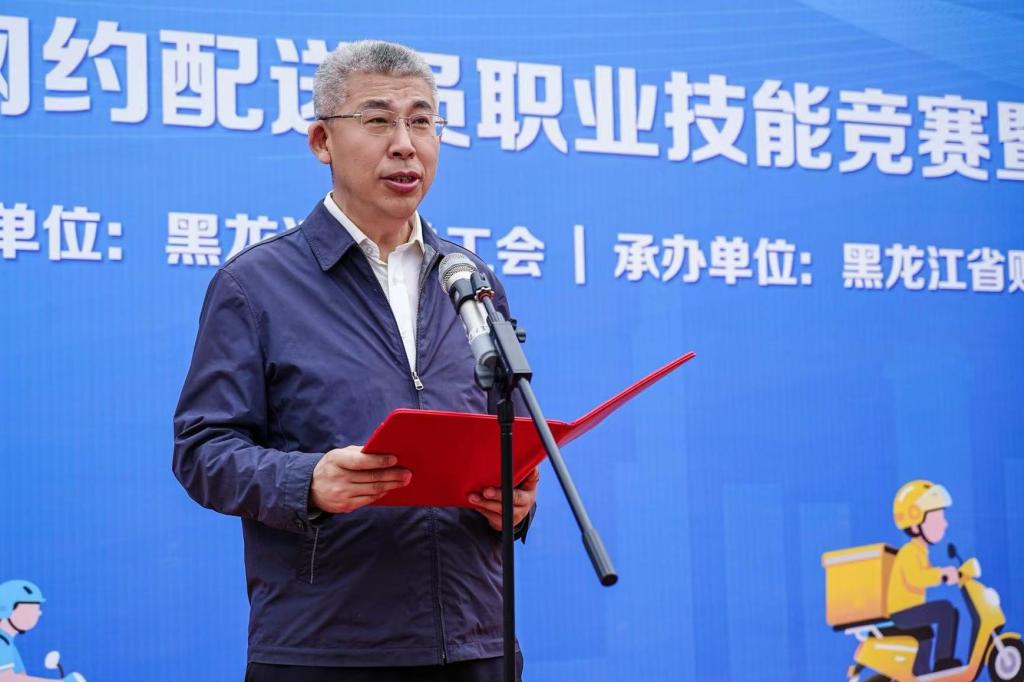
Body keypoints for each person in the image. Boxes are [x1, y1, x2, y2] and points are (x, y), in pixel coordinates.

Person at [172, 40, 538, 681]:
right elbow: (203, 451)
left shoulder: (468, 280)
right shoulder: (256, 285)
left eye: (422, 121)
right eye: (378, 121)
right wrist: (307, 481)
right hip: (328, 648)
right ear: (322, 140)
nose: (405, 145)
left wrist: (515, 499)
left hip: (476, 641)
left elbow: (504, 433)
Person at [887, 480, 961, 675]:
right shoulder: (909, 551)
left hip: (910, 611)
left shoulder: (921, 551)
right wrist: (942, 574)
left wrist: (956, 575)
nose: (945, 523)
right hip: (903, 612)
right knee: (946, 610)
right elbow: (916, 577)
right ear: (915, 525)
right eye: (937, 518)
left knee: (926, 635)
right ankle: (943, 662)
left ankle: (922, 672)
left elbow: (928, 573)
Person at [0, 580, 84, 682]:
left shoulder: (8, 643)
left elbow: (21, 677)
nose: (39, 613)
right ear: (6, 609)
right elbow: (6, 679)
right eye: (30, 609)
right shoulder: (2, 643)